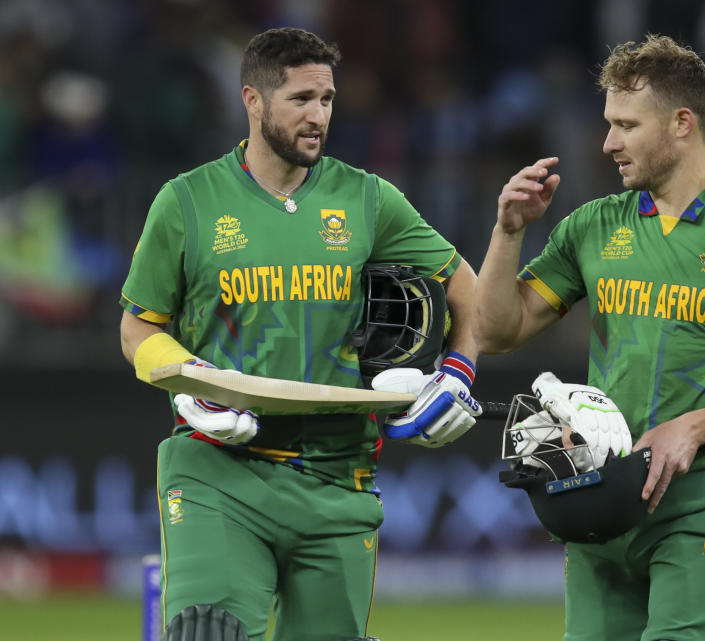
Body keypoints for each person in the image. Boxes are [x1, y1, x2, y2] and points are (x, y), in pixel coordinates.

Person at [118, 27, 481, 641]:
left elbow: (467, 293)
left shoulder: (368, 200)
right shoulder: (187, 201)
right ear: (253, 101)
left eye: (328, 100)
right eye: (301, 100)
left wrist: (458, 373)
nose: (319, 117)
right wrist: (192, 382)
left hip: (339, 477)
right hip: (220, 470)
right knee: (207, 631)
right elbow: (137, 326)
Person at [474, 35, 705, 641]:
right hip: (599, 498)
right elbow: (498, 331)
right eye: (609, 123)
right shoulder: (592, 226)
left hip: (703, 503)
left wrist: (695, 426)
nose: (608, 142)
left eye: (626, 125)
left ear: (682, 124)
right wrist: (508, 232)